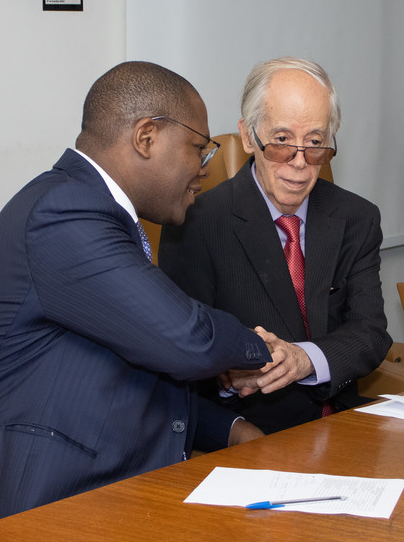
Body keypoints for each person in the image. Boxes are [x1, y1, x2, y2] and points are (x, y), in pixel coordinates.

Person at [0, 61, 277, 522]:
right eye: (199, 149)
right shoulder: (64, 211)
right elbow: (187, 339)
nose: (203, 169)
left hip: (100, 493)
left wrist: (231, 428)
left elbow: (129, 367)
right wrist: (261, 348)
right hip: (23, 502)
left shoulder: (100, 213)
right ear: (146, 137)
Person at [158, 57, 391, 435]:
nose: (300, 163)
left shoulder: (357, 217)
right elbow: (177, 364)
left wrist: (304, 359)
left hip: (346, 427)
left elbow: (371, 333)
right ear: (249, 136)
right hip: (257, 434)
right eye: (282, 140)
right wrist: (229, 387)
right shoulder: (197, 223)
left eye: (314, 143)